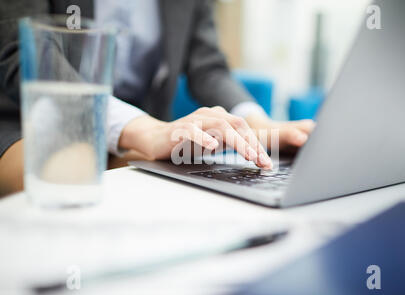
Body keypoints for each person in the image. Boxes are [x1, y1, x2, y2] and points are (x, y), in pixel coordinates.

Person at [0, 0, 314, 197]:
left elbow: (209, 68)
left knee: (194, 184)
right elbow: (23, 52)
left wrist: (258, 125)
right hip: (33, 120)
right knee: (68, 176)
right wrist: (147, 130)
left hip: (141, 130)